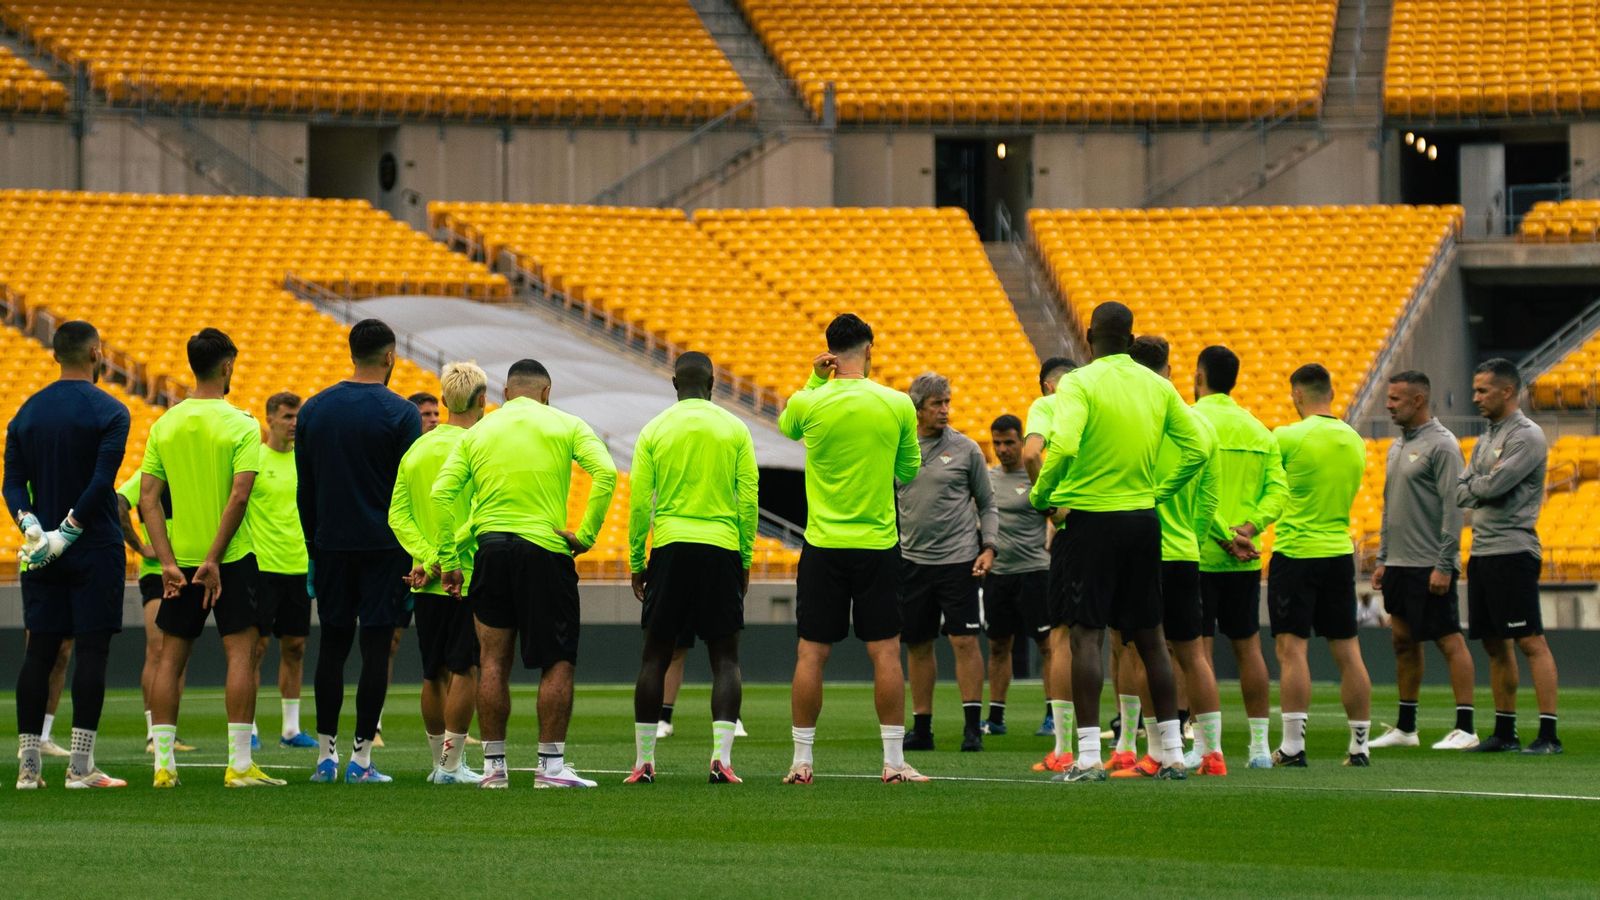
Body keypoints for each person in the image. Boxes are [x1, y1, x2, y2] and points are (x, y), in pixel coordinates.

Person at [1029, 302, 1207, 783]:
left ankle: (1087, 757)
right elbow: (1198, 447)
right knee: (1151, 636)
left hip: (1090, 519)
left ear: (1088, 336)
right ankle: (1171, 751)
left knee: (1086, 635)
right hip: (1142, 520)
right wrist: (1159, 492)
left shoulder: (1079, 384)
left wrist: (1043, 495)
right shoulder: (1157, 385)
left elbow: (1062, 446)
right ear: (1130, 340)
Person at [432, 358, 617, 789]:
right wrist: (586, 534)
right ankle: (550, 768)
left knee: (492, 661)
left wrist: (451, 560)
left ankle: (494, 768)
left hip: (491, 549)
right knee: (557, 659)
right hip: (545, 550)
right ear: (546, 393)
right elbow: (605, 472)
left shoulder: (479, 430)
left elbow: (442, 494)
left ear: (505, 394)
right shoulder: (566, 424)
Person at [778, 314, 925, 785]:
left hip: (822, 543)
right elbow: (908, 471)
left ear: (829, 353)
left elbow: (786, 427)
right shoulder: (898, 403)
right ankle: (894, 762)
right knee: (885, 652)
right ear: (870, 349)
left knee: (810, 653)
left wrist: (813, 380)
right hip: (878, 543)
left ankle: (802, 762)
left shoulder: (808, 401)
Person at [142, 327, 283, 787]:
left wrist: (165, 561)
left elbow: (147, 499)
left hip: (179, 559)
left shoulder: (165, 423)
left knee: (170, 659)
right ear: (226, 367)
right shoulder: (241, 423)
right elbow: (238, 498)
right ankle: (239, 766)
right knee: (240, 657)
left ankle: (164, 766)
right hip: (230, 559)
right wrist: (214, 560)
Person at [6, 320, 130, 790]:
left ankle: (28, 767)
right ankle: (80, 768)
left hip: (41, 550)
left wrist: (31, 524)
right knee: (92, 651)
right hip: (93, 545)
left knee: (40, 651)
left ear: (55, 354)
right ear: (96, 352)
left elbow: (12, 483)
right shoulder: (111, 410)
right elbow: (102, 481)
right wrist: (70, 529)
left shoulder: (27, 412)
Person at [297, 319, 421, 784]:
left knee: (331, 647)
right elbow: (409, 491)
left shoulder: (314, 410)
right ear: (389, 356)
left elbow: (304, 489)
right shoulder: (401, 413)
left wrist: (315, 543)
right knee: (375, 650)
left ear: (353, 352)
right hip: (384, 548)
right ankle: (362, 759)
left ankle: (325, 756)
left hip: (330, 545)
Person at [625, 352, 758, 784]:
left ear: (674, 382)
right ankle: (721, 759)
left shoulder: (654, 429)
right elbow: (749, 502)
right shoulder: (735, 428)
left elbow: (640, 502)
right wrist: (744, 558)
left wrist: (636, 562)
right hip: (720, 547)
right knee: (725, 659)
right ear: (713, 383)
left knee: (655, 656)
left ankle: (645, 762)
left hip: (670, 547)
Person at [1126, 336, 1228, 776]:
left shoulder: (1132, 421)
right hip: (1186, 551)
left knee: (1145, 652)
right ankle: (1212, 753)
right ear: (1170, 369)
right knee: (1193, 655)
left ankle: (1156, 751)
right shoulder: (1198, 425)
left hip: (1142, 549)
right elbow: (1209, 499)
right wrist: (1191, 536)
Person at [1265, 364, 1373, 768]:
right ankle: (1359, 746)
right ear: (1331, 391)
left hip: (1296, 551)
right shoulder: (1355, 440)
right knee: (1348, 650)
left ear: (1297, 394)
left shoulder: (1287, 437)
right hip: (1338, 552)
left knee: (1292, 650)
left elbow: (1270, 489)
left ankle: (1293, 747)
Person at [389, 362, 488, 785]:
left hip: (426, 578)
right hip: (465, 573)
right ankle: (451, 766)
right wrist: (445, 560)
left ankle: (438, 764)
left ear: (443, 401)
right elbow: (483, 514)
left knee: (433, 671)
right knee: (465, 668)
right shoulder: (483, 446)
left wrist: (426, 559)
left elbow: (397, 515)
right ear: (482, 400)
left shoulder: (417, 449)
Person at [1368, 371, 1478, 751]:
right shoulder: (1397, 447)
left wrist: (1445, 563)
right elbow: (1388, 507)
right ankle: (1406, 728)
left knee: (1449, 640)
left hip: (1430, 562)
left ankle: (1466, 726)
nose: (1388, 404)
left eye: (1396, 398)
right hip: (1398, 564)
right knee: (1402, 641)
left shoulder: (1443, 445)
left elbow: (1454, 508)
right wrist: (1383, 558)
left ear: (1418, 401)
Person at [1457, 358, 1560, 755]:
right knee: (1495, 645)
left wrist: (1475, 487)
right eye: (1476, 390)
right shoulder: (1487, 437)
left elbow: (1494, 485)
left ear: (1507, 392)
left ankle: (1549, 734)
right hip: (1482, 550)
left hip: (1513, 550)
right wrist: (1476, 487)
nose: (1476, 397)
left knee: (1529, 640)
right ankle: (1505, 732)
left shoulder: (1527, 436)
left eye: (1483, 390)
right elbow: (1464, 488)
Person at [1191, 345, 1284, 769]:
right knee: (1249, 648)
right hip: (1243, 560)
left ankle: (1206, 745)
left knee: (1198, 653)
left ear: (1198, 376)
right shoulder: (1258, 430)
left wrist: (1223, 534)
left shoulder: (1192, 423)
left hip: (1198, 553)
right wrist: (1249, 529)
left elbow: (1194, 492)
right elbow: (1279, 491)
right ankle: (1261, 747)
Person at [897, 372, 997, 754]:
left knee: (964, 640)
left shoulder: (967, 449)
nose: (945, 410)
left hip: (959, 560)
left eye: (947, 402)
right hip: (913, 562)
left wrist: (988, 547)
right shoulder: (900, 448)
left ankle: (973, 727)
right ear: (918, 408)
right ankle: (922, 727)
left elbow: (988, 504)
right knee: (918, 644)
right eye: (937, 404)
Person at [370, 390, 444, 747]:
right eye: (425, 414)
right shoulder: (403, 457)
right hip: (401, 557)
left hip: (441, 560)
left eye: (435, 413)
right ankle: (375, 723)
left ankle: (451, 729)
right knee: (390, 639)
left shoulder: (450, 454)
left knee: (449, 648)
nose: (432, 419)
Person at [243, 392, 316, 750]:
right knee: (256, 648)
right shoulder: (254, 459)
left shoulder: (306, 460)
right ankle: (250, 726)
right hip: (262, 567)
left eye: (297, 417)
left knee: (296, 647)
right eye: (287, 417)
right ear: (269, 418)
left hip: (298, 567)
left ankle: (290, 729)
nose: (294, 424)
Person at [982, 415, 1053, 742]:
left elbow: (1054, 515)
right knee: (998, 645)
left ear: (1022, 441)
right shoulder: (988, 478)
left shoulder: (1036, 475)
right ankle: (995, 717)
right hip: (999, 574)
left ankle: (1053, 714)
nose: (1002, 449)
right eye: (997, 443)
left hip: (1035, 571)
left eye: (1009, 442)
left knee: (1046, 645)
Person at [117, 474, 197, 755]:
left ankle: (167, 732)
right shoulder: (147, 474)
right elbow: (117, 502)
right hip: (158, 572)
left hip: (189, 566)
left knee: (178, 653)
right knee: (159, 650)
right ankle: (154, 734)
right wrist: (139, 547)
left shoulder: (186, 470)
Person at [1022, 356, 1077, 483]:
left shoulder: (1046, 404)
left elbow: (1031, 455)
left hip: (1073, 498)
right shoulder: (1100, 402)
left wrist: (1043, 497)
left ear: (1049, 387)